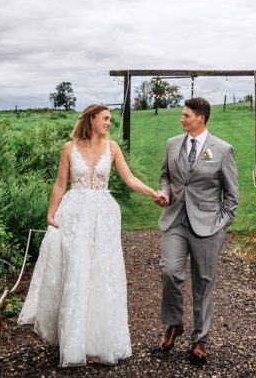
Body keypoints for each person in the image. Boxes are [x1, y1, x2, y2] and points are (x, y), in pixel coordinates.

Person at [18, 103, 162, 367]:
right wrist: (51, 214)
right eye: (105, 118)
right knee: (77, 271)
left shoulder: (113, 147)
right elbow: (60, 184)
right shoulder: (69, 149)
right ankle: (74, 341)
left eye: (110, 119)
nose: (109, 122)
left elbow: (129, 179)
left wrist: (153, 193)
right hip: (73, 214)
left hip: (104, 215)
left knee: (101, 272)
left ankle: (98, 342)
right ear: (91, 119)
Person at [154, 97, 239, 364]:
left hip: (209, 226)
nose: (182, 119)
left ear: (200, 118)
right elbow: (165, 176)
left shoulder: (223, 150)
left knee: (203, 283)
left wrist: (222, 222)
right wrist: (165, 193)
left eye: (186, 115)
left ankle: (199, 339)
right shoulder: (172, 144)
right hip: (176, 220)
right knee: (169, 272)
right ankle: (174, 323)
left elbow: (232, 195)